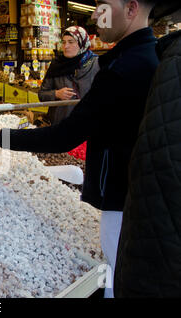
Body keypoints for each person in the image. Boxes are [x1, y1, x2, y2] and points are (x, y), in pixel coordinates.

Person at [0, 0, 159, 298]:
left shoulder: (124, 68)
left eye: (104, 6)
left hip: (123, 197)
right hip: (142, 191)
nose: (96, 14)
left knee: (117, 276)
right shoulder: (152, 55)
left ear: (131, 8)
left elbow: (65, 137)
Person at [114, 2, 181, 298]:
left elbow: (158, 172)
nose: (94, 15)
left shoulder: (167, 61)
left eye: (102, 5)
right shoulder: (164, 58)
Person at [39, 26, 100, 125]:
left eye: (71, 42)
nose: (66, 46)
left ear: (81, 43)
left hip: (88, 124)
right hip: (61, 124)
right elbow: (42, 94)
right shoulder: (57, 65)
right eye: (63, 42)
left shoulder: (96, 64)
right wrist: (56, 94)